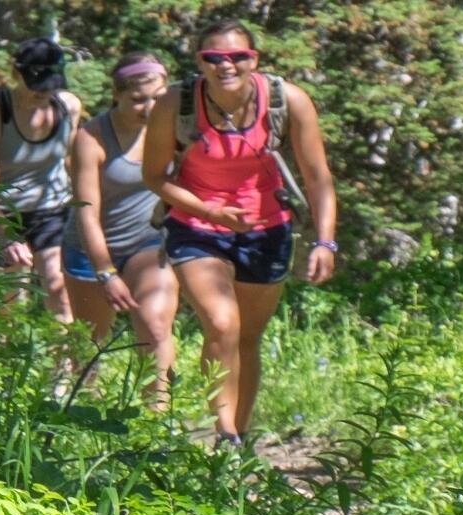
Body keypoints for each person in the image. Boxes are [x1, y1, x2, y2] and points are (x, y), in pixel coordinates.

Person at [142, 19, 338, 447]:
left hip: (268, 231)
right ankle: (224, 434)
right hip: (196, 226)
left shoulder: (289, 101)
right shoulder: (176, 104)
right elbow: (154, 177)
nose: (225, 65)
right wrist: (209, 209)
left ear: (255, 60)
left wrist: (325, 241)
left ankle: (240, 437)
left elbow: (318, 178)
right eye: (214, 58)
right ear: (200, 62)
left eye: (237, 57)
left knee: (247, 337)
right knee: (222, 323)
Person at [62, 53, 179, 405]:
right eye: (138, 100)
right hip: (91, 249)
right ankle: (86, 417)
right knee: (90, 343)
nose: (148, 107)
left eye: (157, 98)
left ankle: (157, 418)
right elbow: (85, 212)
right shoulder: (92, 137)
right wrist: (106, 272)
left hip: (147, 243)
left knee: (156, 325)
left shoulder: (174, 125)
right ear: (116, 95)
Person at [0, 37, 84, 322]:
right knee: (4, 301)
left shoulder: (68, 107)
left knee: (59, 290)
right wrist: (5, 238)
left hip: (50, 210)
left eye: (51, 84)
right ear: (16, 73)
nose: (43, 93)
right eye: (36, 85)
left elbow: (72, 162)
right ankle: (4, 361)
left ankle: (66, 364)